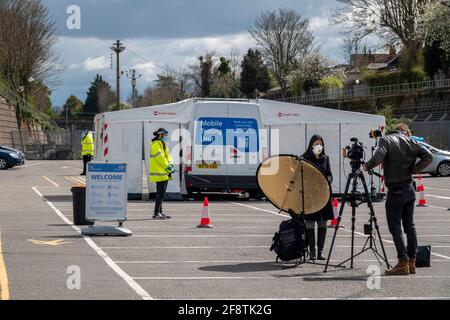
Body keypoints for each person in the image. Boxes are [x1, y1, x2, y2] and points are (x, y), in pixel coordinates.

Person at [364, 123, 433, 276]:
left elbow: (378, 157)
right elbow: (429, 156)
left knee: (395, 226)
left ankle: (402, 262)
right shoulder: (413, 141)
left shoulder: (387, 139)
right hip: (409, 188)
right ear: (406, 132)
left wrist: (367, 166)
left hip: (395, 190)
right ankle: (412, 262)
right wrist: (414, 169)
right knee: (410, 225)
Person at [302, 135, 334, 261]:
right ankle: (312, 251)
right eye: (316, 143)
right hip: (310, 195)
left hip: (324, 194)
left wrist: (327, 181)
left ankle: (320, 251)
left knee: (322, 223)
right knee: (309, 223)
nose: (318, 146)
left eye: (320, 143)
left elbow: (330, 174)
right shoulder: (304, 159)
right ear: (311, 145)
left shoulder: (325, 158)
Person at [150, 128, 175, 220]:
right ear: (160, 135)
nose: (165, 137)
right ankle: (156, 213)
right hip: (159, 173)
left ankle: (160, 212)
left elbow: (168, 156)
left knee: (161, 194)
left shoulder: (163, 144)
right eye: (164, 135)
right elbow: (160, 158)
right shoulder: (155, 145)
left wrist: (171, 164)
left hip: (164, 173)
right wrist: (167, 167)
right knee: (160, 194)